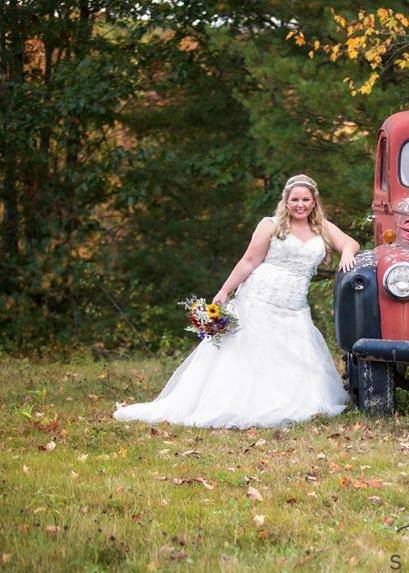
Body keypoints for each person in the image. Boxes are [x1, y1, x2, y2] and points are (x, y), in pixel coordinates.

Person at [115, 174, 358, 428]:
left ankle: (290, 401)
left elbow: (350, 243)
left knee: (295, 353)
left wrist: (347, 253)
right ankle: (243, 404)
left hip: (294, 305)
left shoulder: (322, 228)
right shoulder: (271, 225)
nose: (300, 205)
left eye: (305, 199)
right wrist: (224, 291)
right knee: (250, 353)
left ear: (313, 202)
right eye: (294, 199)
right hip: (259, 298)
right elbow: (249, 261)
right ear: (285, 202)